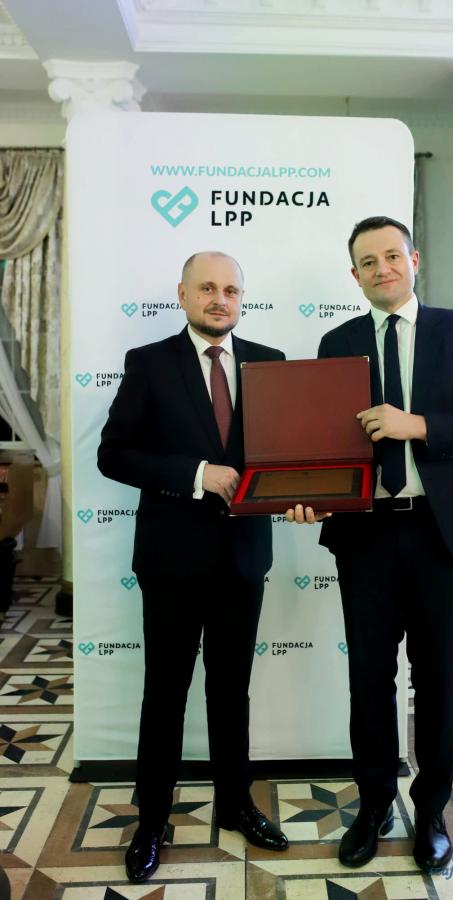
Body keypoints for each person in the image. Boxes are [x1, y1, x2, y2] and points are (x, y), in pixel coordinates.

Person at [287, 216, 453, 872]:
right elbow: (325, 445)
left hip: (441, 535)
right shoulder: (337, 342)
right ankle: (372, 805)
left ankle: (432, 810)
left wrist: (415, 425)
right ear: (354, 275)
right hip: (364, 534)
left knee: (437, 677)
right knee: (367, 678)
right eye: (368, 261)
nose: (381, 268)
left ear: (413, 261)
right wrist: (311, 495)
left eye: (392, 255)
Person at [98, 251, 288, 884]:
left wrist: (307, 492)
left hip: (243, 559)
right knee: (165, 693)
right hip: (171, 560)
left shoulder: (269, 363)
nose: (219, 299)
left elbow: (284, 457)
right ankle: (152, 819)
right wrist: (196, 474)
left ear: (242, 298)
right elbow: (114, 454)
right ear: (182, 294)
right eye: (207, 288)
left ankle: (235, 804)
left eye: (231, 289)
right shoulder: (150, 363)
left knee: (231, 692)